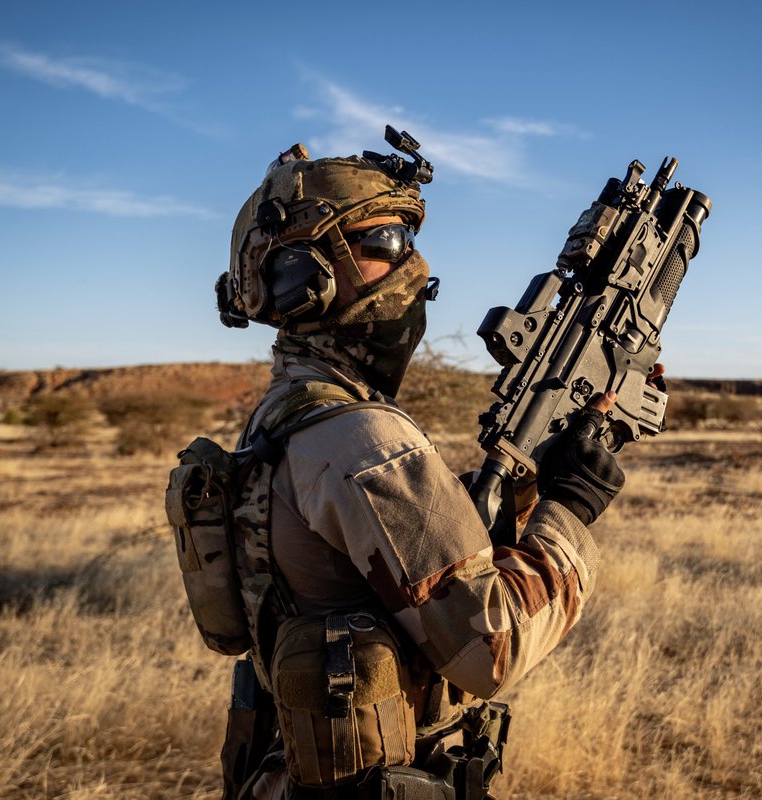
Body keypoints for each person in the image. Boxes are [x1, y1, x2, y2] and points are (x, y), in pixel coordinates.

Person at [207, 132, 627, 799]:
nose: (415, 264)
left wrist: (519, 486)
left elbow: (363, 567)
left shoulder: (284, 417)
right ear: (304, 277)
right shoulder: (361, 438)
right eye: (386, 241)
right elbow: (493, 648)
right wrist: (571, 508)